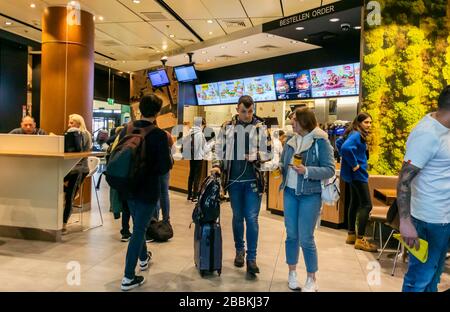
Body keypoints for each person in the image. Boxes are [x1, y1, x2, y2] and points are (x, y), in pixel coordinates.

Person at [211, 95, 271, 276]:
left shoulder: (261, 128)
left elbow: (269, 153)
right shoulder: (227, 127)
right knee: (238, 217)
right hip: (233, 182)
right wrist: (216, 164)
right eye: (244, 111)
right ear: (237, 109)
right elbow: (218, 149)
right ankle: (240, 251)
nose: (247, 115)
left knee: (252, 219)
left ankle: (251, 259)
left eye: (250, 111)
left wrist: (257, 156)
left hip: (254, 181)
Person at [397, 86, 450, 292]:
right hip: (428, 220)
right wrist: (405, 221)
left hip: (443, 219)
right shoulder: (428, 134)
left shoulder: (444, 130)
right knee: (419, 279)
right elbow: (403, 181)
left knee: (433, 278)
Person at [119, 94, 172, 291]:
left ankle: (143, 259)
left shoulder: (128, 128)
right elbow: (164, 167)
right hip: (147, 191)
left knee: (138, 225)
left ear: (140, 109)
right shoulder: (158, 135)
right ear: (158, 112)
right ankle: (128, 277)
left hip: (127, 187)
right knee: (139, 230)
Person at [279, 108, 335, 292]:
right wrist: (276, 166)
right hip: (290, 193)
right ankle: (292, 273)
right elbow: (283, 163)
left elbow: (329, 169)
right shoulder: (290, 140)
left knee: (306, 238)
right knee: (291, 235)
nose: (291, 122)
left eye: (294, 119)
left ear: (304, 121)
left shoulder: (320, 141)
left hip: (310, 195)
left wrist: (308, 171)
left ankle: (312, 278)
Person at [336, 112, 377, 252]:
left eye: (370, 122)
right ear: (359, 123)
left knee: (354, 203)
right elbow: (346, 148)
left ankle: (351, 235)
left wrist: (349, 163)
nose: (369, 125)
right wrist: (354, 164)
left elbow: (339, 142)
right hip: (358, 174)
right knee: (367, 205)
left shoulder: (353, 133)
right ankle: (360, 239)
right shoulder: (356, 135)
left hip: (352, 176)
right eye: (366, 122)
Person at [62, 114, 92, 234]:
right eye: (69, 123)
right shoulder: (87, 134)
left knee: (69, 196)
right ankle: (74, 191)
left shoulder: (75, 133)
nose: (69, 125)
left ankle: (63, 224)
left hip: (77, 169)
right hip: (78, 169)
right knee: (69, 193)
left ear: (78, 124)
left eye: (72, 123)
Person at [185, 117, 208, 202]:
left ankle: (189, 195)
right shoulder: (200, 134)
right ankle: (195, 196)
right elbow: (204, 148)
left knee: (191, 175)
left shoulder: (190, 132)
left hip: (191, 156)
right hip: (198, 157)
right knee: (197, 176)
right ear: (201, 124)